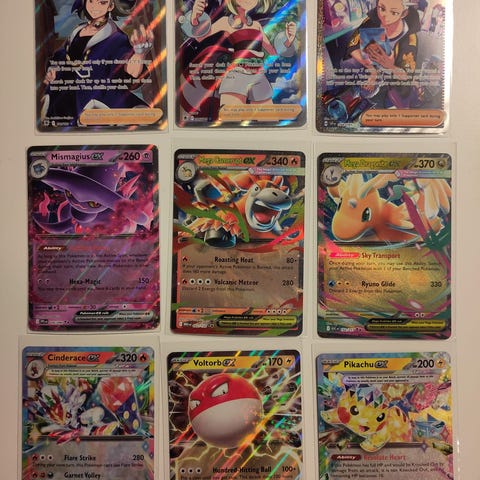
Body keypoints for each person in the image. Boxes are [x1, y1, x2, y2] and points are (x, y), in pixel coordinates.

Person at [42, 0, 154, 125]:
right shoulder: (78, 31)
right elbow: (62, 56)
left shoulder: (117, 39)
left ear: (111, 6)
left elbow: (128, 72)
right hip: (65, 97)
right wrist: (53, 70)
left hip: (96, 98)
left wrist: (139, 54)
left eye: (102, 2)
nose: (94, 7)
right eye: (91, 1)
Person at [182, 0, 297, 106]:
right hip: (237, 74)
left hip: (258, 76)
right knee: (231, 117)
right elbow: (200, 37)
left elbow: (273, 52)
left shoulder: (256, 25)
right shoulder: (225, 22)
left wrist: (288, 40)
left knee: (269, 117)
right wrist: (195, 19)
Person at [341, 0, 421, 106]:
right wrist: (372, 70)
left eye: (394, 12)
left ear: (404, 13)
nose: (384, 16)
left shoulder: (409, 39)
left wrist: (390, 66)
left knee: (367, 92)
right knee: (346, 64)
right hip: (367, 62)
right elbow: (352, 45)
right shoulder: (372, 21)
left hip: (386, 72)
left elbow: (406, 75)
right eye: (382, 8)